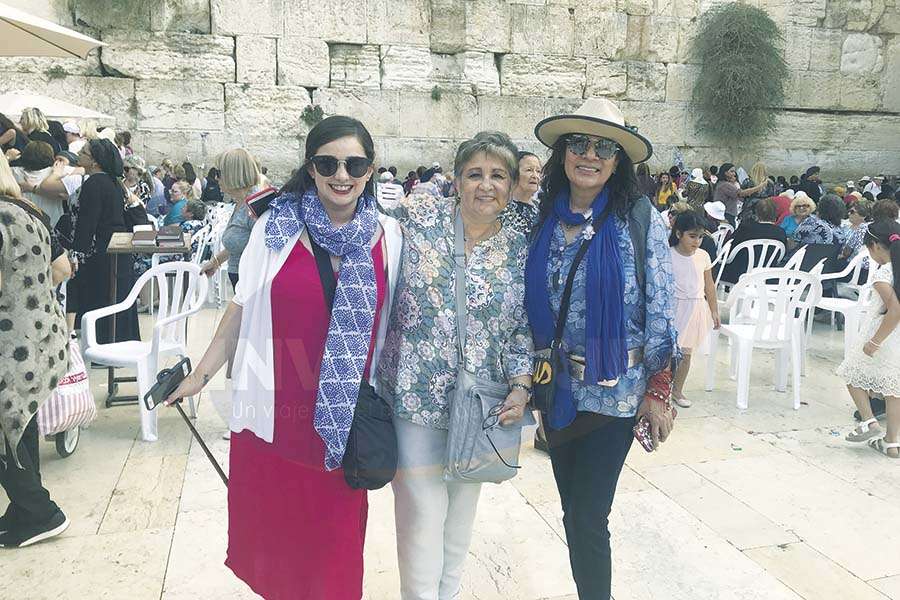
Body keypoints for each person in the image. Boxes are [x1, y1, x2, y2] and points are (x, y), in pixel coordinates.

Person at [165, 115, 402, 599]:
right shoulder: (275, 227)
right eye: (327, 162)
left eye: (354, 163)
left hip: (345, 423)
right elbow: (241, 307)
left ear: (371, 168)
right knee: (279, 552)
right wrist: (201, 376)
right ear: (310, 168)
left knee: (334, 556)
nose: (342, 174)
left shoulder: (391, 237)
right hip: (278, 418)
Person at [525, 98, 678, 599]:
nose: (589, 155)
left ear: (618, 162)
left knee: (590, 514)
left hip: (615, 393)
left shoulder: (639, 220)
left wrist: (660, 389)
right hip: (557, 391)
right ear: (563, 154)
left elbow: (660, 306)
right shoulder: (543, 219)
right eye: (579, 144)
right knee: (573, 512)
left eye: (604, 148)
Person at [377, 131, 532, 600]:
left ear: (512, 183)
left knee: (462, 513)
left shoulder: (520, 246)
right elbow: (361, 230)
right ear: (457, 179)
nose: (486, 185)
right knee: (422, 512)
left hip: (482, 401)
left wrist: (522, 386)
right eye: (476, 174)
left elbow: (523, 323)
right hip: (415, 394)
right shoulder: (418, 220)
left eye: (498, 176)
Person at [0, 154, 71, 548]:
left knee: (5, 431)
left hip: (10, 348)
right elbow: (62, 270)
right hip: (41, 341)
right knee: (19, 428)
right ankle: (24, 512)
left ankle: (44, 512)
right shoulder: (27, 212)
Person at [837, 220, 900, 458]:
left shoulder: (883, 273)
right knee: (894, 389)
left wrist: (874, 342)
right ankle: (892, 443)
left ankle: (869, 422)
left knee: (852, 373)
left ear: (874, 245)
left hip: (884, 332)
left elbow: (895, 310)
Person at [67, 139, 140, 345]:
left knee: (101, 298)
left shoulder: (94, 183)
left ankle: (102, 345)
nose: (79, 154)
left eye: (84, 152)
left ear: (95, 161)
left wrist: (76, 254)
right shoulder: (114, 182)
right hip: (115, 248)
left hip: (101, 251)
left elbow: (87, 223)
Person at [669, 212, 719, 408]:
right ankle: (659, 389)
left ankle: (677, 390)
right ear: (679, 233)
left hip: (695, 307)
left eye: (700, 237)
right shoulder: (668, 253)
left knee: (686, 354)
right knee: (666, 354)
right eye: (692, 236)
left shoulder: (703, 256)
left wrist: (714, 310)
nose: (697, 241)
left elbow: (709, 286)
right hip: (674, 307)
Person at [200, 148, 264, 290]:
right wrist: (216, 261)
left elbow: (263, 250)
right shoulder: (242, 202)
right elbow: (241, 241)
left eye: (219, 173)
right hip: (241, 278)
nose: (216, 178)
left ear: (232, 174)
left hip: (250, 282)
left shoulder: (255, 205)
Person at [11, 141, 66, 227]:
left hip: (22, 223)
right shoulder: (57, 173)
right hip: (52, 223)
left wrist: (7, 158)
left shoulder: (13, 172)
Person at [500, 150, 541, 235]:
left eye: (538, 171)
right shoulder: (501, 209)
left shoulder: (543, 208)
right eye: (529, 170)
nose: (535, 176)